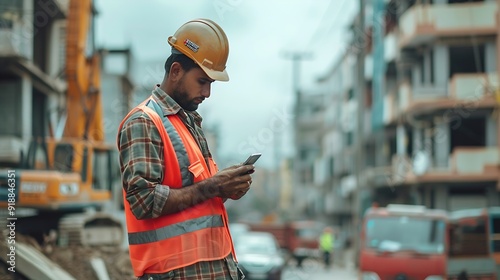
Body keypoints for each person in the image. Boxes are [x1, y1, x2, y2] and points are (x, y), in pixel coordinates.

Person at [117, 18, 254, 280]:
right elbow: (144, 202)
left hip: (211, 266)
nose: (208, 92)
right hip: (174, 272)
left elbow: (196, 200)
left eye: (211, 84)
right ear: (176, 71)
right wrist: (214, 186)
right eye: (202, 81)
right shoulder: (144, 121)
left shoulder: (187, 122)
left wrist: (226, 187)